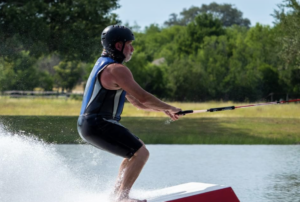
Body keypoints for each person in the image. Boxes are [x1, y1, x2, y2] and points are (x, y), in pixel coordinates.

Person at [77, 25, 181, 202]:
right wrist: (171, 107)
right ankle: (123, 198)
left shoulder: (104, 66)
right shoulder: (116, 69)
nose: (132, 49)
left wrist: (163, 109)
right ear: (118, 46)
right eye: (130, 44)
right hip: (98, 123)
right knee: (141, 153)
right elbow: (144, 96)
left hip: (91, 124)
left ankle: (115, 195)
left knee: (134, 151)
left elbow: (138, 102)